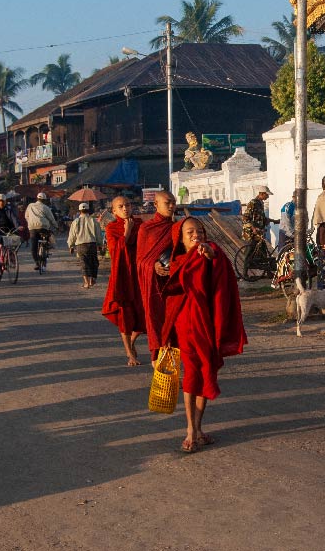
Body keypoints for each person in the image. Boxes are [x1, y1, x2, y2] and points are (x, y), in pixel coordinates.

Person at [158, 216, 247, 453]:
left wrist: (211, 256)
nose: (196, 234)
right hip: (186, 324)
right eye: (189, 232)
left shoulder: (211, 252)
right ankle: (190, 429)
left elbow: (220, 268)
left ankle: (198, 428)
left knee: (207, 369)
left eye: (199, 230)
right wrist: (159, 271)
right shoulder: (176, 261)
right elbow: (168, 295)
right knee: (192, 374)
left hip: (208, 323)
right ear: (180, 238)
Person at [102, 196, 146, 366]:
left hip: (139, 273)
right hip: (122, 275)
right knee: (125, 314)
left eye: (127, 205)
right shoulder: (112, 228)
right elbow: (115, 250)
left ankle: (133, 342)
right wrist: (127, 232)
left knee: (143, 312)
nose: (125, 208)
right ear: (114, 211)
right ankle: (130, 353)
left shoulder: (140, 224)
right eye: (120, 206)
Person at [137, 191, 177, 362]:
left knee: (174, 324)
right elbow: (139, 260)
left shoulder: (178, 227)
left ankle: (172, 370)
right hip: (154, 284)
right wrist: (153, 265)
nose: (171, 206)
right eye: (167, 202)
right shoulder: (146, 228)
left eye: (173, 202)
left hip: (174, 283)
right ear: (156, 204)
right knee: (156, 321)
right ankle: (157, 362)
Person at [68, 202, 103, 289]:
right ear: (88, 210)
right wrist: (100, 245)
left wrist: (71, 246)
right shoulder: (94, 221)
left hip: (80, 246)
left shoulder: (75, 222)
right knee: (94, 262)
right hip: (92, 245)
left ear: (79, 211)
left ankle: (86, 283)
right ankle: (92, 280)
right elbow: (99, 235)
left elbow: (72, 235)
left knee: (84, 263)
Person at [25, 192, 57, 270]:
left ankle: (36, 263)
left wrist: (30, 222)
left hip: (32, 228)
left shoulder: (30, 206)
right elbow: (51, 218)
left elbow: (26, 216)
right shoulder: (46, 207)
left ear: (37, 199)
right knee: (47, 239)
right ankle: (46, 248)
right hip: (43, 227)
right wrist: (56, 226)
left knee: (34, 247)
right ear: (44, 200)